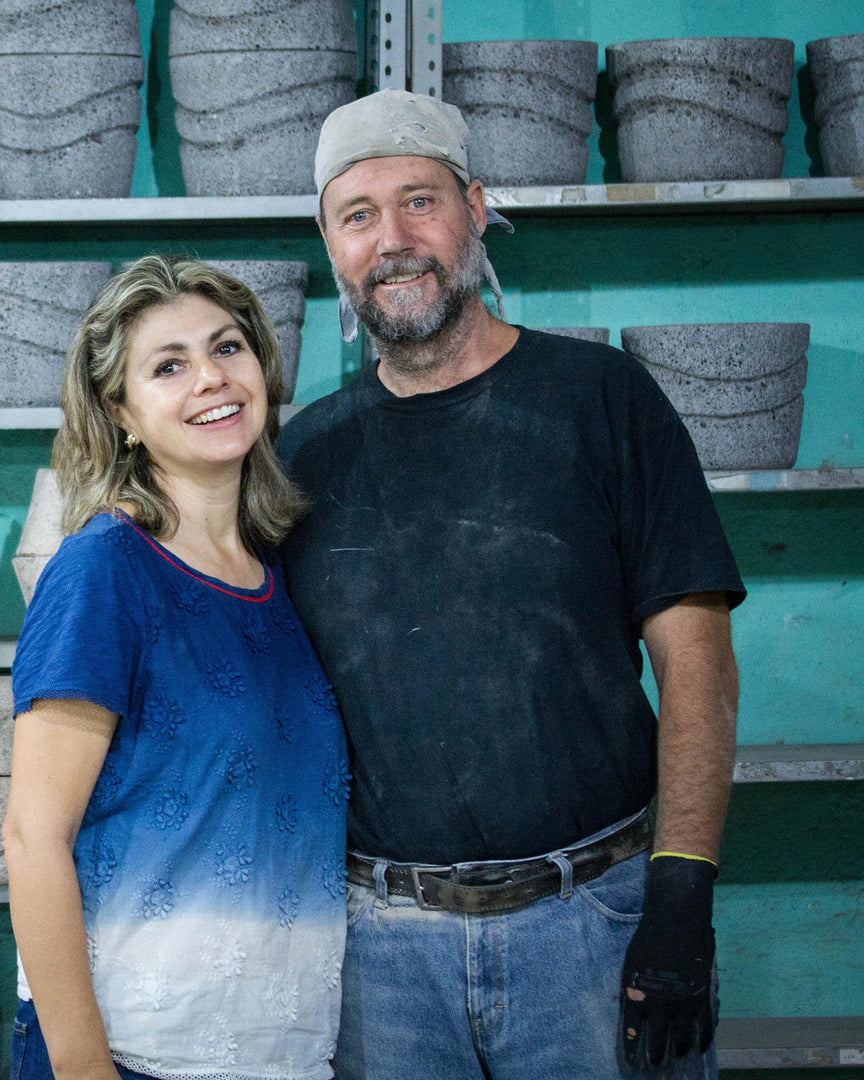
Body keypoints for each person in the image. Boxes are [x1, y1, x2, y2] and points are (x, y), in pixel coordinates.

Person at [277, 89, 745, 1080]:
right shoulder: (304, 456)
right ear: (329, 245)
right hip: (380, 959)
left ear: (477, 209)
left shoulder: (603, 400)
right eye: (357, 215)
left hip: (591, 930)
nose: (393, 239)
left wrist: (683, 892)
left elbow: (697, 663)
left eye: (420, 202)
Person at [3, 255, 350, 1080]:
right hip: (133, 1053)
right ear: (120, 414)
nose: (211, 379)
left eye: (228, 348)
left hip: (283, 1054)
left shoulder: (275, 573)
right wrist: (85, 1068)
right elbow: (31, 836)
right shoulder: (106, 569)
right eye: (169, 366)